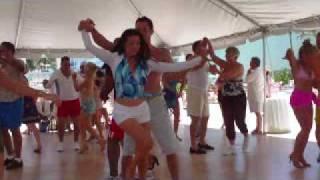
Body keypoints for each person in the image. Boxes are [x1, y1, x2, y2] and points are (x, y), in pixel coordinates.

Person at [79, 21, 203, 179]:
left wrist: (198, 60)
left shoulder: (150, 61)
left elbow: (174, 68)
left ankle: (142, 175)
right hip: (125, 110)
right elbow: (95, 45)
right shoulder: (115, 58)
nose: (136, 44)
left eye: (141, 35)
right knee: (138, 146)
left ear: (151, 32)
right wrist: (85, 29)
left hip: (147, 105)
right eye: (133, 40)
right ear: (125, 43)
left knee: (153, 146)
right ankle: (130, 171)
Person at [284, 40, 318, 168]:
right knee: (305, 129)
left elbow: (313, 83)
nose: (310, 56)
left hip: (308, 98)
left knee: (307, 129)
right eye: (307, 54)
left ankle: (299, 155)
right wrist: (289, 56)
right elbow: (290, 53)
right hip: (298, 98)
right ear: (302, 54)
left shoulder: (311, 67)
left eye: (312, 54)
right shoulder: (296, 65)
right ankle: (295, 156)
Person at [211, 45, 249, 155]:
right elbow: (214, 58)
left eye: (229, 54)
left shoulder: (239, 67)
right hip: (226, 97)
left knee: (239, 120)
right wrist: (208, 45)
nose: (226, 55)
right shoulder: (225, 65)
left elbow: (226, 76)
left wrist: (217, 72)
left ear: (236, 56)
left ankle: (246, 137)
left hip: (238, 97)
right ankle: (231, 146)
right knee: (228, 121)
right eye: (226, 53)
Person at [186, 38, 219, 154]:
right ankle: (193, 146)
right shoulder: (192, 58)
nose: (204, 48)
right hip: (195, 91)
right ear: (196, 49)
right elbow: (196, 67)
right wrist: (205, 58)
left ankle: (202, 141)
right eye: (202, 46)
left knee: (205, 118)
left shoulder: (205, 60)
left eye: (204, 46)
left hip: (204, 91)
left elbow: (213, 71)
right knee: (196, 119)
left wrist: (214, 69)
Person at [46, 56, 81, 152]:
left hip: (74, 101)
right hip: (62, 102)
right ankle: (60, 143)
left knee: (77, 125)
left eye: (69, 64)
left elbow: (80, 85)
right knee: (61, 125)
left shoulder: (74, 73)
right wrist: (45, 84)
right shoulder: (56, 73)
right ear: (61, 64)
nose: (67, 66)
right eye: (65, 64)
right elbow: (48, 85)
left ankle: (76, 142)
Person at [73, 62, 106, 153]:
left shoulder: (87, 79)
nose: (83, 68)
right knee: (82, 126)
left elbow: (77, 88)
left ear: (88, 70)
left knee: (87, 126)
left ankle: (100, 140)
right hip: (89, 103)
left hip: (86, 104)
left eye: (85, 67)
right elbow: (95, 88)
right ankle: (84, 145)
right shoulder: (91, 78)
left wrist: (74, 79)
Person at [162, 71, 186, 141]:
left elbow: (184, 82)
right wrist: (175, 91)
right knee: (164, 117)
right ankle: (166, 134)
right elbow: (165, 84)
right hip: (166, 95)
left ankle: (175, 134)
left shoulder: (178, 73)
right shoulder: (165, 73)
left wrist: (180, 91)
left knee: (177, 115)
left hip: (174, 96)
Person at [22, 77, 42, 154]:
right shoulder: (25, 89)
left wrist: (33, 103)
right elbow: (35, 95)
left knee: (32, 126)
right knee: (32, 126)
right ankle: (39, 145)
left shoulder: (27, 90)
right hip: (26, 107)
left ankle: (39, 145)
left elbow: (36, 95)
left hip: (28, 108)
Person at [246, 57, 264, 135]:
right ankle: (258, 128)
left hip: (256, 95)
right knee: (257, 113)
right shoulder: (258, 71)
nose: (250, 64)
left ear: (255, 63)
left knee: (258, 113)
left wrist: (248, 72)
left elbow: (247, 79)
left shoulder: (256, 72)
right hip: (257, 95)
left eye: (251, 62)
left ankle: (259, 129)